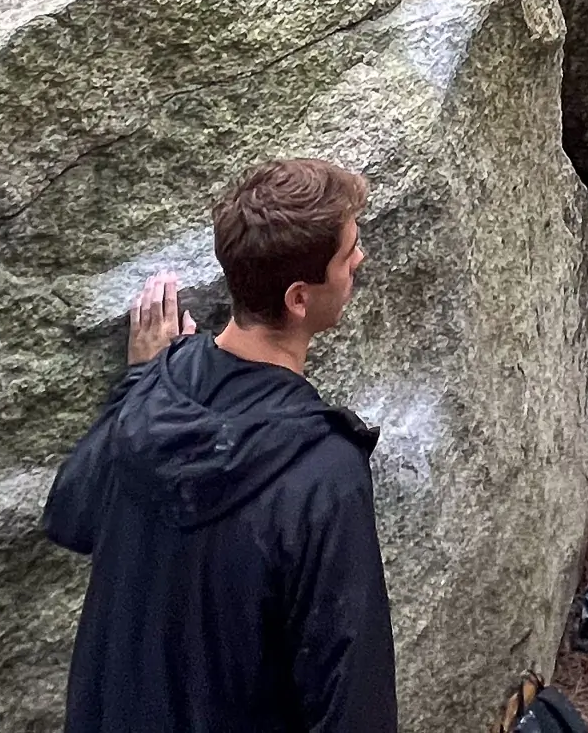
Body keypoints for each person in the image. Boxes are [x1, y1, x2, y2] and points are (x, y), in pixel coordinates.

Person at [43, 159, 396, 733]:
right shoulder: (323, 472)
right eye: (348, 252)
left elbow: (70, 515)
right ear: (299, 298)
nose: (359, 259)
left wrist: (141, 380)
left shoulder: (156, 387)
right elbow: (351, 692)